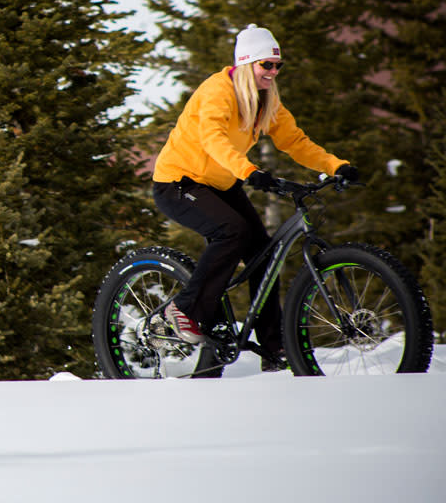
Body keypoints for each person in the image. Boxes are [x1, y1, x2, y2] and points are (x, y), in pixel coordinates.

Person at [151, 24, 359, 371]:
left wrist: (337, 165)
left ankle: (274, 346)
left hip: (220, 182)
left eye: (278, 66)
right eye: (267, 65)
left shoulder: (266, 101)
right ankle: (184, 310)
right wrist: (249, 172)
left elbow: (295, 141)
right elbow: (213, 139)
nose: (273, 72)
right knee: (232, 231)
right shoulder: (217, 91)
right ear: (248, 64)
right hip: (179, 182)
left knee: (263, 254)